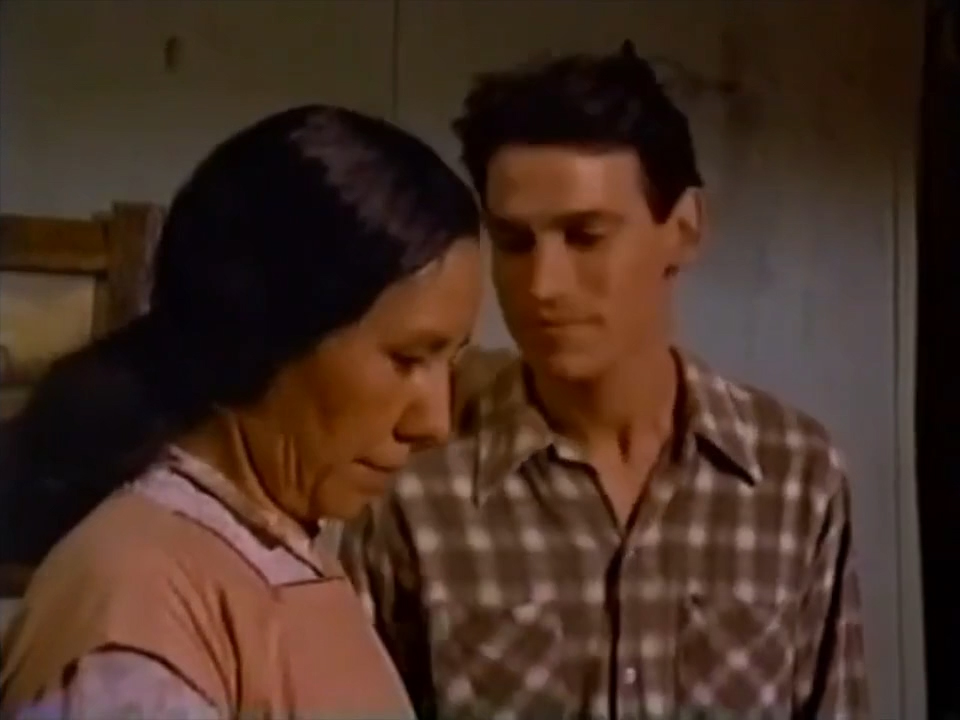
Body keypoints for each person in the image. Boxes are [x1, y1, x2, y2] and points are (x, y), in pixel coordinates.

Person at [339, 44, 870, 719]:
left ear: (683, 229)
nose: (543, 286)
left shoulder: (795, 477)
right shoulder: (416, 487)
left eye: (586, 237)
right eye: (515, 243)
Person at [0, 104, 483, 719]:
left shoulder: (277, 549)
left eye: (450, 361)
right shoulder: (141, 620)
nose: (434, 422)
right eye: (408, 358)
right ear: (265, 337)